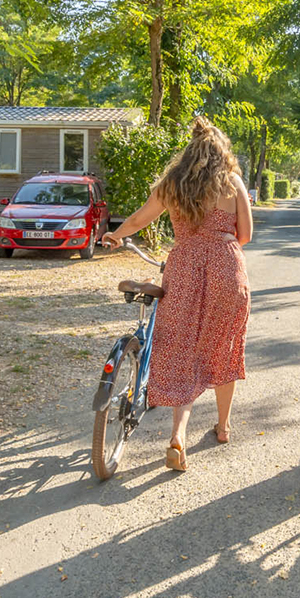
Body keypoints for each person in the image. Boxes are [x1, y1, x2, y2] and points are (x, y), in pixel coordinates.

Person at [101, 118, 253, 472]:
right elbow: (245, 235)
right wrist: (219, 240)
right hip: (226, 271)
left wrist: (115, 236)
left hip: (182, 268)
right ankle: (223, 426)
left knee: (181, 347)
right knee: (222, 345)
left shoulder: (173, 184)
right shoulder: (233, 183)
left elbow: (140, 219)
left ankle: (178, 435)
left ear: (189, 153)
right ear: (223, 153)